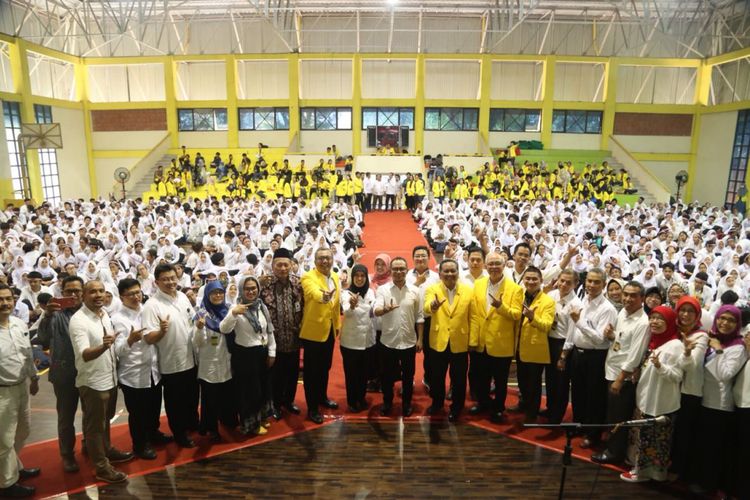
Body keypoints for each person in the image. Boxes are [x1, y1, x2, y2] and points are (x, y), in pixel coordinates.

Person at [69, 280, 133, 484]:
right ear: (83, 295)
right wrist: (105, 346)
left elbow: (111, 345)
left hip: (109, 377)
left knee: (105, 420)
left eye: (101, 291)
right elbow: (85, 354)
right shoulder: (79, 321)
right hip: (93, 382)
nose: (98, 295)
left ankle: (106, 449)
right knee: (95, 426)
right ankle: (102, 467)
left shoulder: (104, 314)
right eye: (92, 292)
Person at [620, 306, 682, 483]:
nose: (654, 322)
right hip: (646, 396)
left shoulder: (675, 346)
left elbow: (677, 376)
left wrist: (660, 367)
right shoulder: (654, 341)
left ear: (669, 322)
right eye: (652, 317)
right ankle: (640, 469)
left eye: (659, 319)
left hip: (660, 401)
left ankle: (648, 474)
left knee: (654, 440)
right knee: (643, 436)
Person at [591, 281, 650, 465]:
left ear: (642, 298)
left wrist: (620, 378)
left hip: (622, 376)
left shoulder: (643, 322)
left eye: (633, 295)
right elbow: (621, 341)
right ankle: (610, 445)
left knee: (619, 416)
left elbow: (635, 354)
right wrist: (611, 335)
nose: (628, 299)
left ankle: (614, 452)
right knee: (611, 413)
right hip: (611, 369)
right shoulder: (623, 313)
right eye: (626, 294)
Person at [142, 264, 200, 448]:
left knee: (192, 395)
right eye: (165, 279)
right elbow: (148, 337)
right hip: (171, 361)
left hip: (191, 356)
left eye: (173, 278)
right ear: (156, 282)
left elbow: (191, 319)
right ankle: (179, 433)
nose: (170, 282)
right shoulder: (152, 305)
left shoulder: (182, 296)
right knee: (176, 401)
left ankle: (193, 423)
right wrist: (161, 331)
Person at [112, 278, 170, 461]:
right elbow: (116, 350)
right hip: (133, 374)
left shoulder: (147, 311)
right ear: (121, 297)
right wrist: (130, 340)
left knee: (153, 408)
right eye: (131, 294)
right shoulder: (117, 319)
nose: (136, 297)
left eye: (138, 292)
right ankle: (140, 444)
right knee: (138, 414)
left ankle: (153, 434)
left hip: (153, 370)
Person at [691, 305, 747, 495]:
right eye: (722, 318)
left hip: (719, 405)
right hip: (705, 399)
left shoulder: (737, 346)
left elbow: (725, 374)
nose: (725, 323)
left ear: (737, 324)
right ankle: (701, 480)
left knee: (713, 449)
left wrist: (719, 350)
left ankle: (709, 485)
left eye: (731, 320)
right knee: (704, 445)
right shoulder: (713, 338)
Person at [562, 267, 618, 448]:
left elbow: (599, 338)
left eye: (596, 282)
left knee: (595, 396)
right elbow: (572, 330)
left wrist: (579, 322)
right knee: (578, 393)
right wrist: (566, 351)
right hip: (578, 353)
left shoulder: (607, 308)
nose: (592, 285)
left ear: (603, 284)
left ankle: (593, 434)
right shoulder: (582, 300)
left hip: (596, 356)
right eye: (590, 281)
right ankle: (579, 424)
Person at [35, 275, 84, 473]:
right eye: (68, 291)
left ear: (83, 292)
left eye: (77, 291)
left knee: (93, 415)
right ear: (61, 293)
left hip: (90, 372)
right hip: (64, 373)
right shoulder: (54, 314)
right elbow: (43, 339)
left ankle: (91, 447)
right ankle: (67, 455)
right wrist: (46, 315)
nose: (73, 295)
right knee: (66, 418)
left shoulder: (92, 312)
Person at [468, 252, 523, 422]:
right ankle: (483, 403)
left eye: (497, 264)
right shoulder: (478, 284)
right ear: (485, 265)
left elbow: (516, 314)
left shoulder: (515, 289)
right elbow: (475, 313)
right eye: (490, 264)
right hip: (480, 341)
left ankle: (498, 408)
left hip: (501, 342)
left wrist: (501, 307)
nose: (493, 267)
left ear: (504, 265)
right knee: (480, 378)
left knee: (500, 381)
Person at [220, 276, 275, 436]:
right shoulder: (236, 308)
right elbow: (224, 329)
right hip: (245, 356)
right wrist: (234, 314)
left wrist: (271, 352)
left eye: (253, 288)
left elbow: (269, 331)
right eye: (247, 289)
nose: (251, 292)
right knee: (250, 392)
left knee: (264, 388)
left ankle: (262, 417)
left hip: (262, 352)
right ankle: (251, 425)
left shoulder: (261, 306)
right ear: (241, 290)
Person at [0, 283, 40, 498]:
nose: (5, 303)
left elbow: (26, 353)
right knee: (3, 439)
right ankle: (7, 484)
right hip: (2, 393)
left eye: (8, 298)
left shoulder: (17, 323)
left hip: (22, 387)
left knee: (22, 431)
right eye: (0, 299)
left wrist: (34, 377)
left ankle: (14, 467)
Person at [424, 258, 473, 422]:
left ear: (458, 272)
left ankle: (457, 408)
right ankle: (437, 403)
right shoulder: (432, 289)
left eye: (453, 271)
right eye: (446, 271)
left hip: (460, 340)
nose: (450, 274)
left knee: (459, 379)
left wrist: (472, 340)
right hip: (439, 341)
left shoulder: (468, 291)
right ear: (440, 273)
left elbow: (472, 317)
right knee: (437, 377)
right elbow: (426, 307)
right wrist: (433, 306)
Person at [374, 257, 424, 417]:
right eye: (395, 269)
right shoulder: (383, 290)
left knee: (408, 377)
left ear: (407, 270)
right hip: (388, 342)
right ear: (391, 270)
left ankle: (407, 403)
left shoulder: (415, 291)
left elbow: (420, 317)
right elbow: (376, 310)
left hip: (409, 342)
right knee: (386, 376)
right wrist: (384, 310)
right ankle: (387, 402)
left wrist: (420, 339)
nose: (398, 272)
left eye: (402, 268)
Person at [259, 248, 304, 418]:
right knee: (275, 376)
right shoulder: (264, 285)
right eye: (279, 265)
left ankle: (289, 401)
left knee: (292, 374)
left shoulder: (298, 284)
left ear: (292, 265)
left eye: (286, 264)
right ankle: (275, 405)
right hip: (273, 341)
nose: (283, 268)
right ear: (273, 265)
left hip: (293, 338)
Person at [299, 248, 341, 424]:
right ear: (315, 260)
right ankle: (312, 408)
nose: (325, 261)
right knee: (311, 373)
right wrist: (323, 297)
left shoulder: (335, 276)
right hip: (313, 333)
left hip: (330, 330)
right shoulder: (308, 277)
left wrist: (337, 324)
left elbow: (336, 304)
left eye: (328, 258)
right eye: (321, 258)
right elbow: (313, 293)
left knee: (325, 367)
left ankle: (322, 396)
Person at [669, 296, 708, 481]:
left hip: (689, 392)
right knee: (670, 430)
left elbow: (692, 366)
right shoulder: (674, 332)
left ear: (697, 315)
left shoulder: (701, 336)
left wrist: (686, 351)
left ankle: (678, 469)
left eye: (690, 311)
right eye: (682, 310)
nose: (685, 314)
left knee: (683, 432)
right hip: (671, 387)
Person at [514, 266, 556, 422]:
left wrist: (533, 318)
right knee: (522, 381)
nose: (531, 282)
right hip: (519, 346)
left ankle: (532, 413)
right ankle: (524, 404)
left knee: (534, 384)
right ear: (523, 280)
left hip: (535, 347)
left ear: (541, 281)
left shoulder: (548, 301)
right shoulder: (519, 296)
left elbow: (546, 325)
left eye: (534, 279)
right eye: (528, 278)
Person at [193, 281, 233, 441]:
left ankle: (227, 420)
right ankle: (210, 428)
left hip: (227, 361)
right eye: (213, 293)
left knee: (226, 396)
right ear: (207, 296)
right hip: (209, 363)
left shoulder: (229, 311)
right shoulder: (201, 315)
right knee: (210, 400)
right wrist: (200, 328)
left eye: (220, 292)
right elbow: (197, 342)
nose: (217, 296)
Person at [545, 269, 582, 423]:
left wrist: (563, 356)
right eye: (562, 281)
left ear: (575, 284)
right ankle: (549, 408)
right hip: (548, 341)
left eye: (568, 282)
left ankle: (557, 414)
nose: (564, 284)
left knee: (561, 382)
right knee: (549, 378)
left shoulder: (576, 304)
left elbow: (571, 334)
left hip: (563, 344)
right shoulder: (551, 296)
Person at [339, 264, 376, 412]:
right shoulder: (346, 294)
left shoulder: (371, 293)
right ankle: (352, 401)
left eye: (362, 276)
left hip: (368, 340)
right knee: (351, 374)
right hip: (350, 341)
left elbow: (374, 310)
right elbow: (346, 313)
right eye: (356, 276)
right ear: (352, 277)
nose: (359, 279)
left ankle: (361, 397)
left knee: (364, 373)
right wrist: (352, 305)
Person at [406, 246, 439, 392]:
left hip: (430, 319)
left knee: (431, 354)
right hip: (409, 319)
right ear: (413, 258)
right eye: (417, 256)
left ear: (429, 258)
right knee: (407, 354)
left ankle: (429, 378)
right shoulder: (406, 275)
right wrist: (417, 283)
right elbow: (404, 295)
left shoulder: (436, 277)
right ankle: (408, 380)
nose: (420, 258)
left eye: (423, 256)